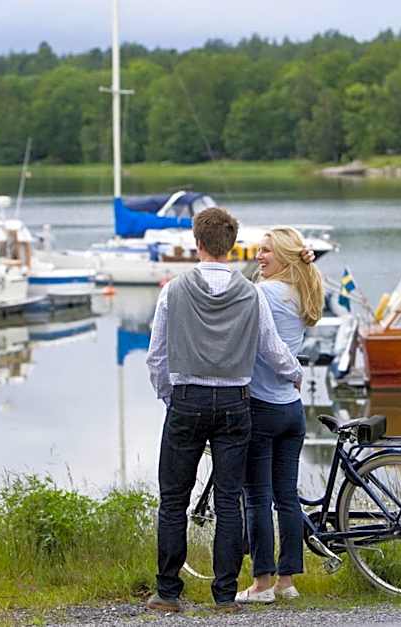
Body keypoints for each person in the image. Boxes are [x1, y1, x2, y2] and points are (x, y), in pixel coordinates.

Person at [144, 207, 304, 613]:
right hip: (235, 402)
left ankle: (167, 592)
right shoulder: (250, 292)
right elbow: (272, 347)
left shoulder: (174, 290)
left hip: (187, 399)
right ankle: (223, 594)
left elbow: (156, 356)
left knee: (174, 499)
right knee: (229, 500)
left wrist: (170, 396)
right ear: (232, 246)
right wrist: (295, 373)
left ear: (197, 243)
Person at [236, 226, 323, 604]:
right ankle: (287, 582)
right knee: (287, 496)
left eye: (267, 251)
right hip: (292, 409)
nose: (259, 255)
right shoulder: (302, 291)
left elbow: (261, 346)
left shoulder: (262, 294)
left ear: (285, 256)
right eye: (259, 249)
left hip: (262, 404)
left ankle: (261, 584)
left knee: (258, 498)